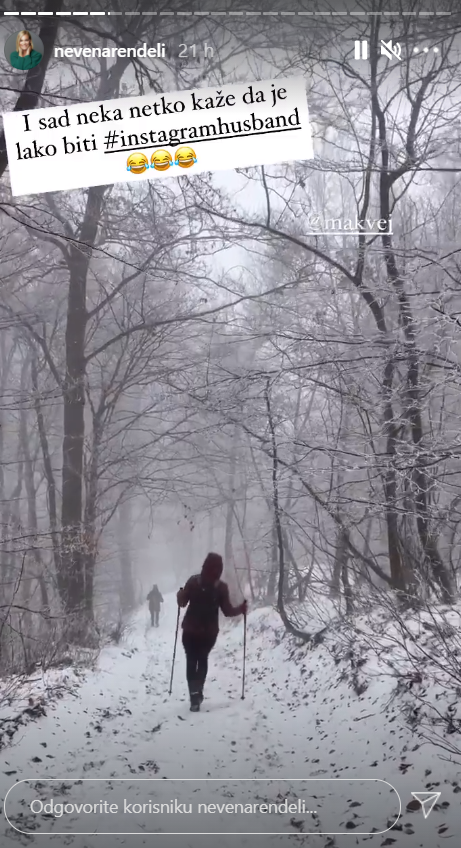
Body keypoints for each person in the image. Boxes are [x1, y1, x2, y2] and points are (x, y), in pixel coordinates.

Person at [177, 552, 247, 712]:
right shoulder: (221, 587)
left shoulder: (193, 581)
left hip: (190, 630)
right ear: (220, 569)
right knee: (202, 659)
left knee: (190, 660)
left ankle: (194, 695)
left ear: (204, 565)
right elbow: (228, 611)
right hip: (208, 633)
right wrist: (241, 609)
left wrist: (180, 594)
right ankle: (198, 690)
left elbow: (182, 602)